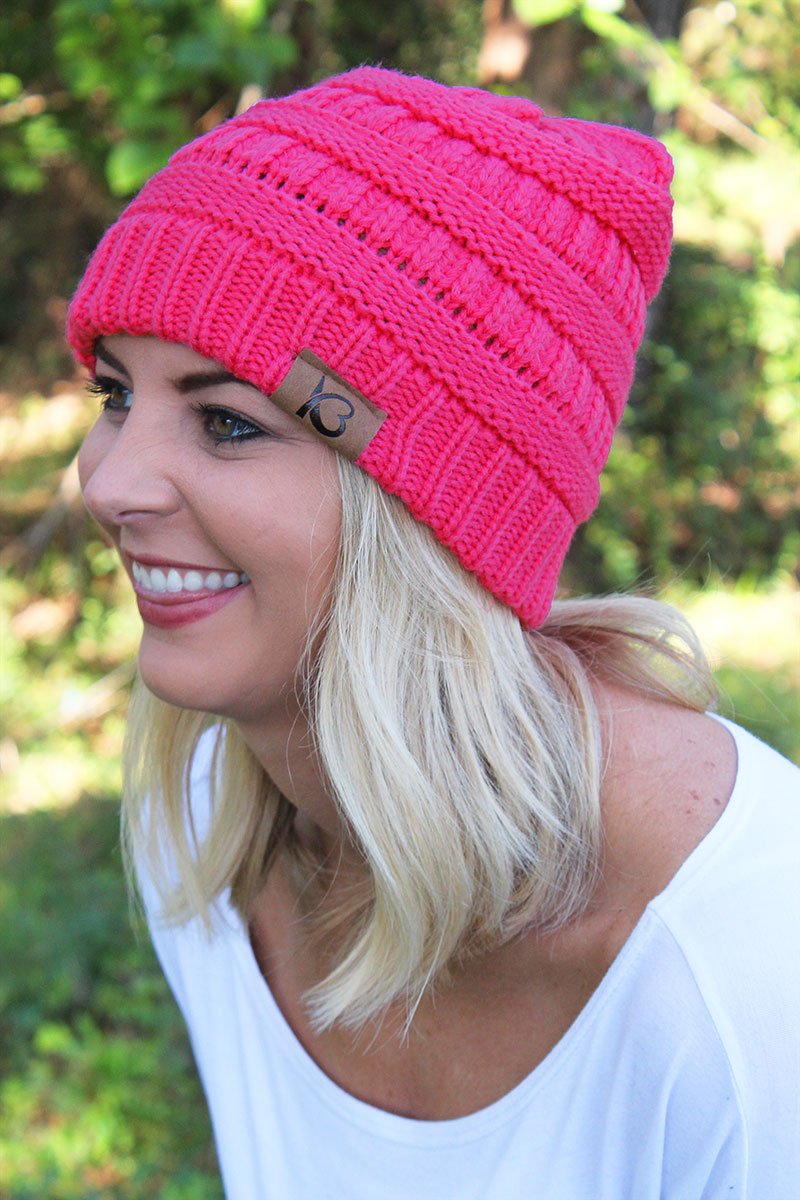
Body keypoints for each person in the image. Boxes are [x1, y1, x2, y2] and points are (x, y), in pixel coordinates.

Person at [66, 66, 799, 1199]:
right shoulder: (208, 829)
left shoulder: (745, 973)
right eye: (116, 395)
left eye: (226, 421)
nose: (111, 482)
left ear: (431, 515)